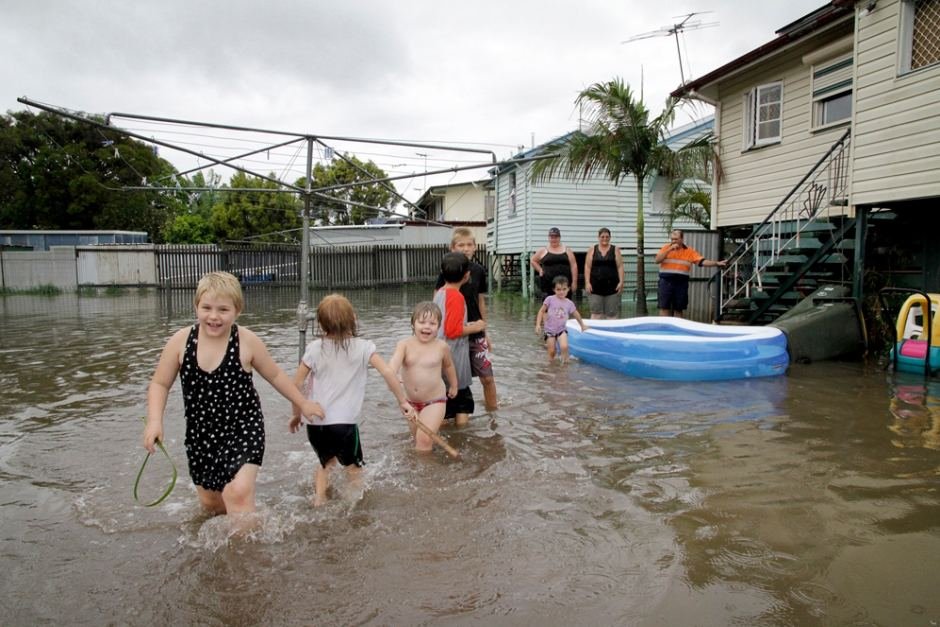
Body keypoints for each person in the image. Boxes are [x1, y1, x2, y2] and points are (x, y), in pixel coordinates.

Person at [144, 271, 324, 517]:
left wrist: (302, 402)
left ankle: (248, 551)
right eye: (206, 308)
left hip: (244, 428)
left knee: (238, 493)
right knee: (212, 505)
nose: (214, 316)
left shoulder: (246, 341)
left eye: (223, 310)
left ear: (237, 311)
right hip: (201, 435)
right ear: (196, 307)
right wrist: (155, 422)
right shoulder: (181, 342)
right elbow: (160, 384)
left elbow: (275, 376)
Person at [289, 294, 412, 506]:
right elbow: (388, 373)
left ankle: (319, 499)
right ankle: (352, 506)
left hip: (316, 423)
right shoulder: (364, 347)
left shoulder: (314, 349)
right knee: (354, 468)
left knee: (326, 463)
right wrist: (403, 401)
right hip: (343, 425)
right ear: (353, 319)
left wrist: (297, 413)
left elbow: (296, 384)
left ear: (320, 324)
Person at [434, 226, 498, 411]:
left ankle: (493, 414)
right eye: (461, 245)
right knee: (449, 378)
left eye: (469, 244)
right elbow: (436, 302)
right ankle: (446, 413)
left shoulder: (478, 271)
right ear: (452, 248)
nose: (465, 248)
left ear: (475, 247)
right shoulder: (448, 271)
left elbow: (480, 300)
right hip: (454, 337)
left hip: (475, 333)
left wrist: (485, 331)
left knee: (487, 377)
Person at [389, 301, 459, 452]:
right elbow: (394, 363)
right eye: (421, 322)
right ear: (413, 323)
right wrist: (392, 372)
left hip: (435, 401)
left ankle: (427, 473)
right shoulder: (404, 345)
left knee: (424, 440)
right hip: (411, 403)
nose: (427, 326)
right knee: (417, 440)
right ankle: (419, 468)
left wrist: (454, 385)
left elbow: (448, 366)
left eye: (432, 323)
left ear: (438, 327)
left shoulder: (441, 346)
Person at [434, 252, 486, 426]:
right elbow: (453, 330)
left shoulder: (440, 292)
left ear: (442, 272)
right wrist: (476, 326)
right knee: (462, 402)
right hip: (454, 358)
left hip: (439, 355)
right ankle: (461, 437)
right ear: (467, 275)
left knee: (443, 401)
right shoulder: (456, 296)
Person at [655, 229, 727, 318]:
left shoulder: (689, 251)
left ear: (682, 239)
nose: (673, 241)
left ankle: (678, 329)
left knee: (679, 308)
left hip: (681, 283)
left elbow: (702, 262)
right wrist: (669, 250)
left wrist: (716, 263)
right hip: (666, 282)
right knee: (664, 307)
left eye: (676, 239)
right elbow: (657, 260)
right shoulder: (666, 248)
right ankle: (663, 329)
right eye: (672, 239)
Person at [535, 275, 588, 362]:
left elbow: (576, 314)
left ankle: (565, 363)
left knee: (564, 346)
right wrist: (538, 325)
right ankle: (551, 366)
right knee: (551, 352)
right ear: (554, 290)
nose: (561, 292)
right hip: (549, 331)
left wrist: (582, 325)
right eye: (558, 289)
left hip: (562, 330)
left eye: (564, 289)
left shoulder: (569, 303)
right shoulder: (550, 299)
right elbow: (541, 311)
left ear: (568, 289)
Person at [584, 227, 624, 319]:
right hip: (595, 287)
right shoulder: (592, 249)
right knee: (596, 313)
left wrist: (621, 282)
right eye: (602, 237)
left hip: (612, 287)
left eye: (607, 237)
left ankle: (611, 332)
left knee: (612, 314)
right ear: (598, 237)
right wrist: (587, 282)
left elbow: (620, 266)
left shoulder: (615, 250)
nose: (605, 239)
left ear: (610, 237)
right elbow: (587, 267)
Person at [530, 227, 578, 298]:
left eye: (556, 237)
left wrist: (574, 282)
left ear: (559, 238)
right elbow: (533, 260)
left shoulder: (567, 250)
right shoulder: (543, 250)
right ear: (548, 238)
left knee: (565, 306)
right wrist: (540, 270)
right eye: (552, 237)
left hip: (564, 286)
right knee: (548, 305)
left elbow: (574, 266)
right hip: (548, 285)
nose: (554, 239)